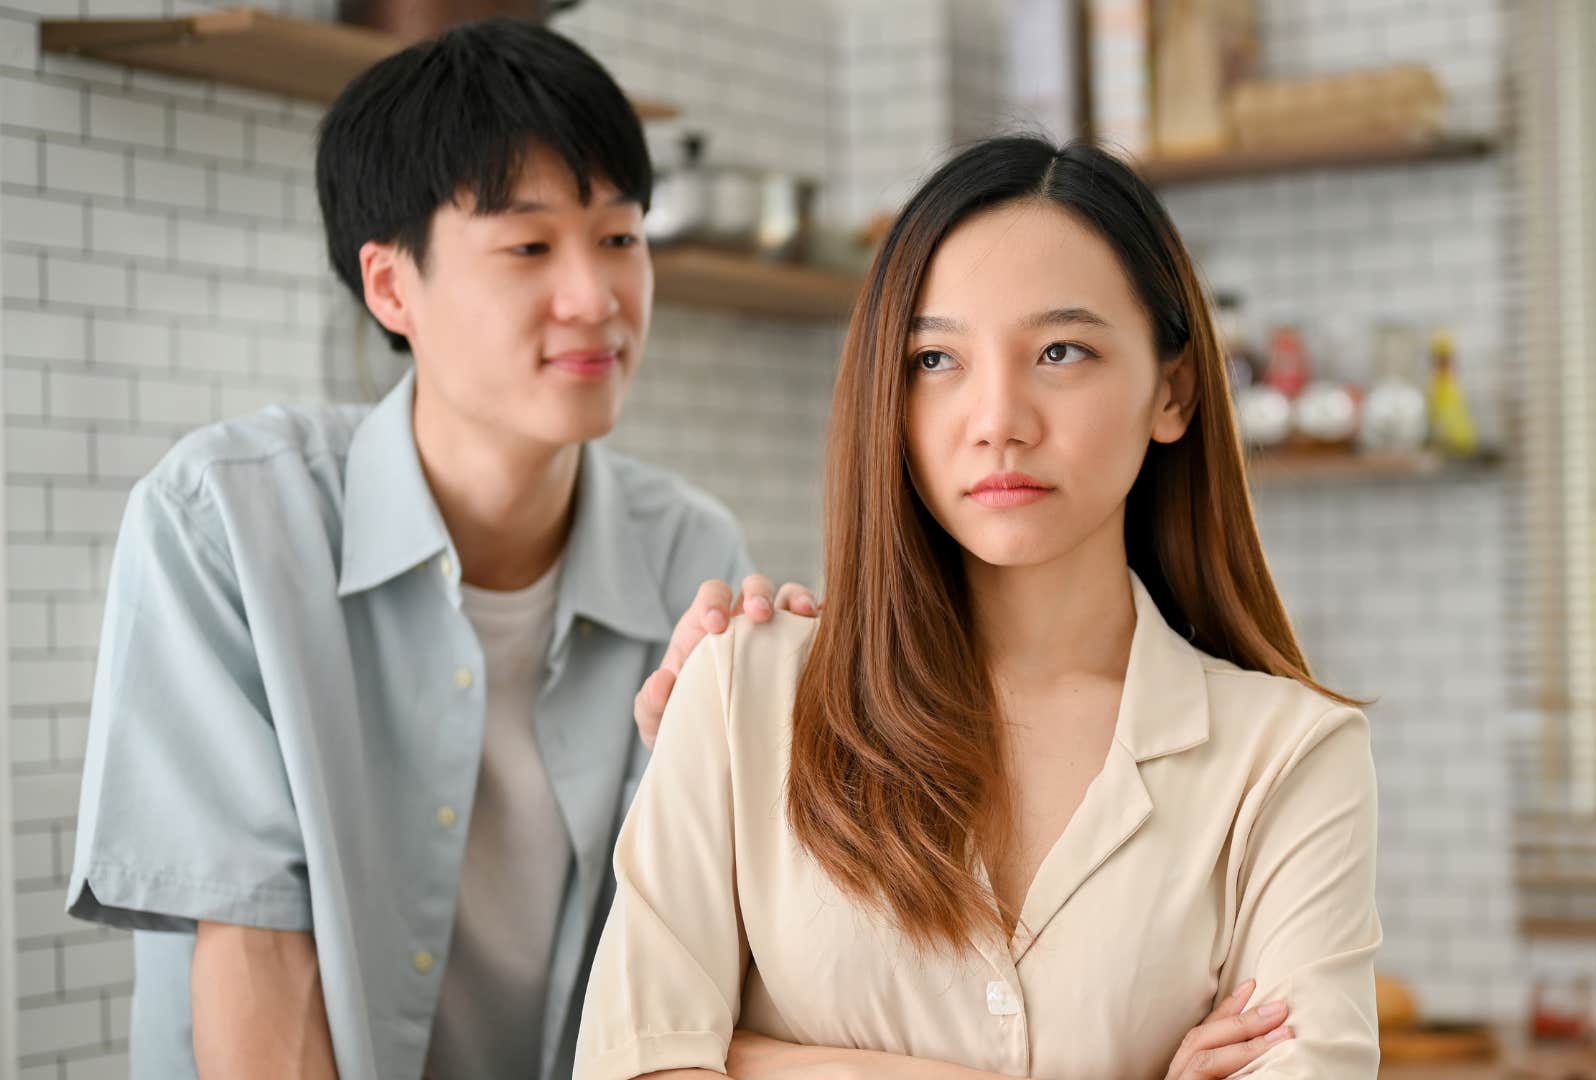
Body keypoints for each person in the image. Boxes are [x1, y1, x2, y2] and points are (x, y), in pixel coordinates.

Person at [64, 19, 809, 1079]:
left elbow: (691, 957)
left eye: (619, 238)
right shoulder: (222, 522)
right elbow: (255, 956)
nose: (595, 298)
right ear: (390, 286)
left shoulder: (694, 545)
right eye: (529, 246)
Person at [573, 135, 1383, 1079]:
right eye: (934, 359)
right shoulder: (741, 688)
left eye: (1061, 350)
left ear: (1172, 390)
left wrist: (757, 1061)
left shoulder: (1289, 758)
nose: (997, 418)